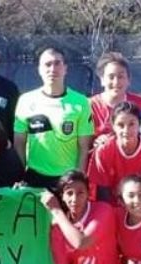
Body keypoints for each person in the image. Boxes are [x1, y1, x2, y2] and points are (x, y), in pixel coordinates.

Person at [14, 47, 93, 189]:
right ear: (39, 69)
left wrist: (78, 180)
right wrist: (20, 175)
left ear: (65, 68)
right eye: (47, 64)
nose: (53, 68)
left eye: (57, 63)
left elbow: (83, 147)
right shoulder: (25, 100)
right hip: (34, 177)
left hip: (67, 179)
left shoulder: (81, 102)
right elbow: (19, 142)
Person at [87, 101, 141, 202]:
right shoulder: (104, 150)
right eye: (120, 125)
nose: (126, 130)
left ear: (140, 124)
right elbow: (102, 190)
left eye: (131, 124)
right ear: (113, 126)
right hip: (113, 205)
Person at [89, 52, 141, 148]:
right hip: (101, 160)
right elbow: (81, 143)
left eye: (121, 76)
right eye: (111, 77)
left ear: (128, 80)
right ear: (102, 80)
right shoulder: (90, 106)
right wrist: (95, 142)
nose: (116, 82)